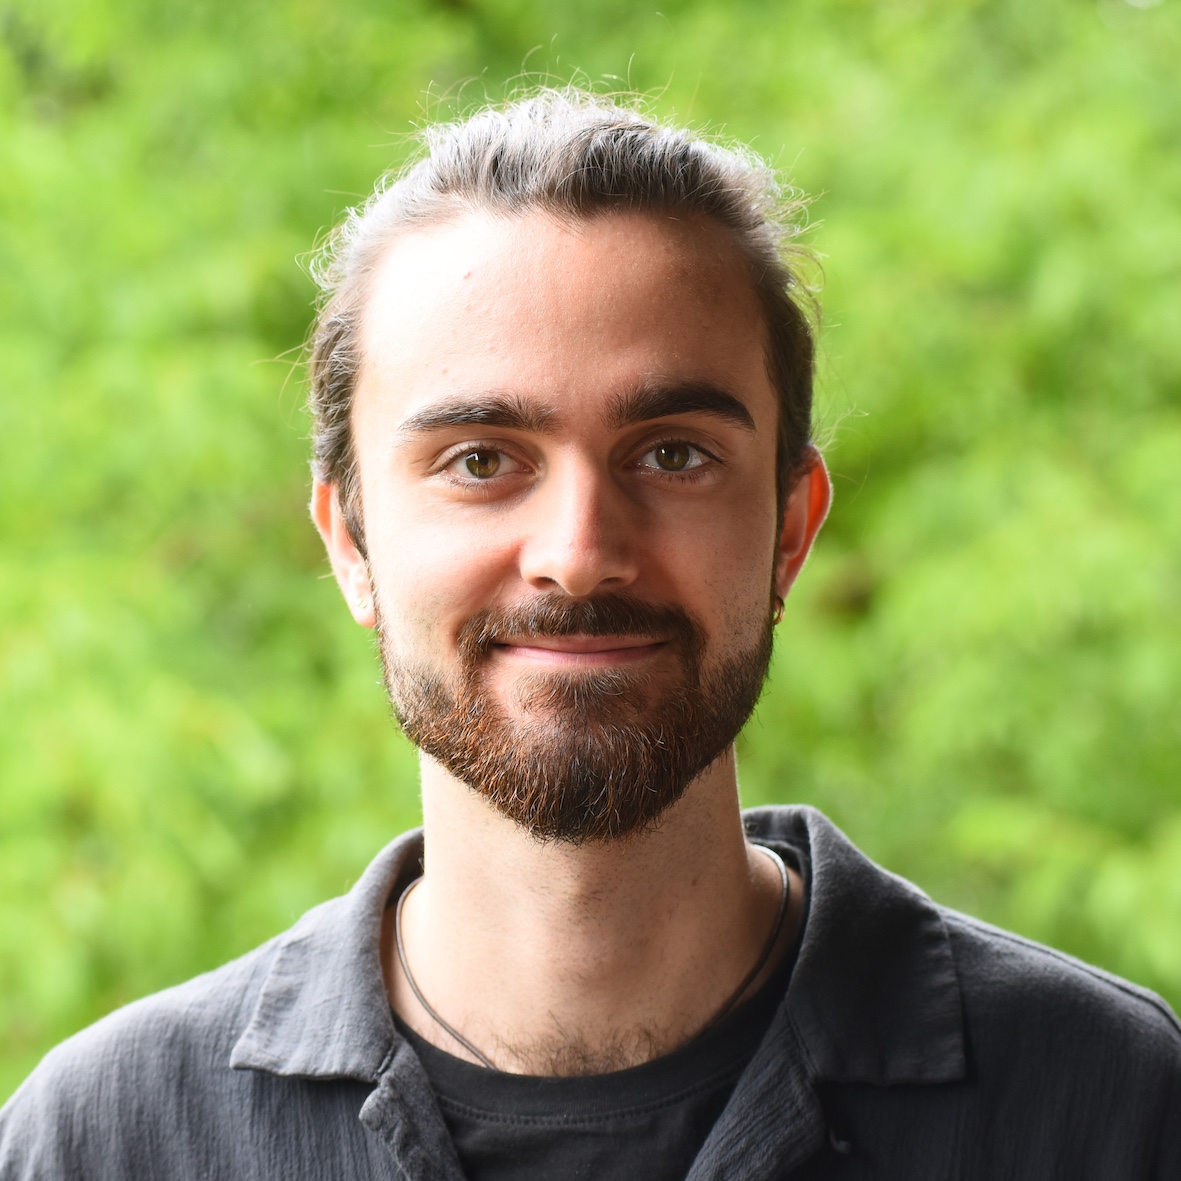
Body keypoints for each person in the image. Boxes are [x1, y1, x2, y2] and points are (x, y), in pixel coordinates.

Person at [2, 89, 1178, 1181]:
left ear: (787, 528)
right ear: (349, 540)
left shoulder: (1111, 1105)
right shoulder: (105, 1140)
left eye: (671, 453)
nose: (577, 550)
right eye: (479, 460)